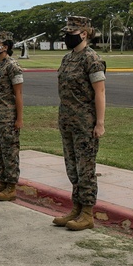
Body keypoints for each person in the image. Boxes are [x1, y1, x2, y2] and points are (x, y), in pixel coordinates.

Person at [52, 16, 106, 230]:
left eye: (71, 33)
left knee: (85, 170)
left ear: (84, 34)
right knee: (72, 168)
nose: (67, 37)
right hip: (67, 121)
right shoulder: (67, 59)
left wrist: (99, 123)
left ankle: (87, 213)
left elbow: (100, 91)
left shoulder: (91, 59)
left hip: (85, 123)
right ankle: (76, 208)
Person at [0, 30, 24, 202]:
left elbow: (19, 94)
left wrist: (19, 119)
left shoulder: (12, 66)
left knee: (9, 152)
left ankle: (11, 186)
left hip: (7, 116)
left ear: (6, 46)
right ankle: (2, 181)